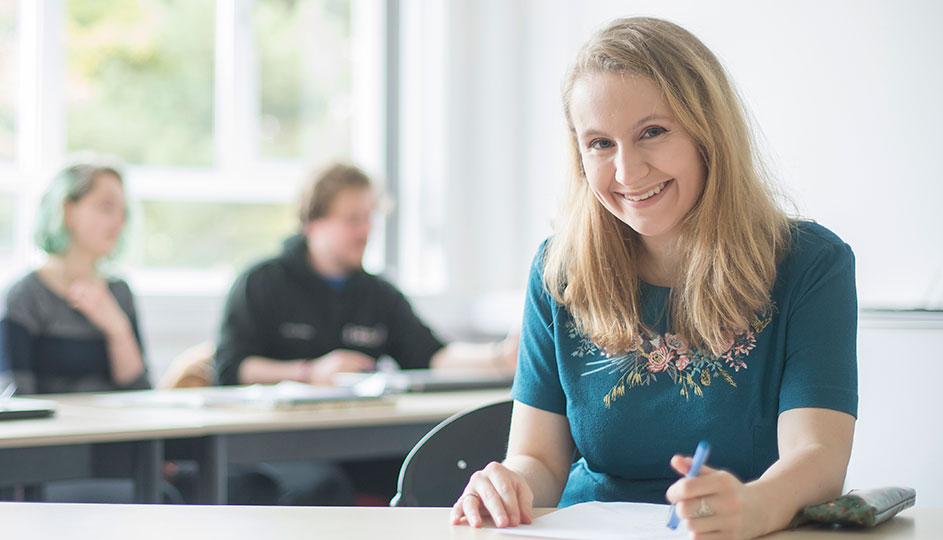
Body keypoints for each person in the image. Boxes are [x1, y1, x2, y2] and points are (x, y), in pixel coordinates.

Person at [451, 17, 857, 540]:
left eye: (653, 132)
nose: (627, 171)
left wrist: (755, 507)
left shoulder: (809, 264)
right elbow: (539, 460)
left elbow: (817, 457)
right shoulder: (560, 271)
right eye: (599, 143)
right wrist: (510, 483)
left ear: (707, 132)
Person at [214, 162, 519, 504]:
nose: (366, 231)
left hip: (355, 444)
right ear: (313, 223)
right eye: (352, 219)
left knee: (436, 476)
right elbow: (231, 368)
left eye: (369, 217)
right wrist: (310, 372)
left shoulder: (378, 294)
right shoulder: (262, 282)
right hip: (276, 445)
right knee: (320, 489)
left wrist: (499, 356)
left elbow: (432, 355)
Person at [1, 160, 148, 395]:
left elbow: (140, 393)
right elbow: (16, 396)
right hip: (57, 432)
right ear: (68, 211)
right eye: (107, 207)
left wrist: (117, 329)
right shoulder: (24, 295)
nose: (119, 222)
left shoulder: (120, 291)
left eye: (124, 212)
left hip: (115, 431)